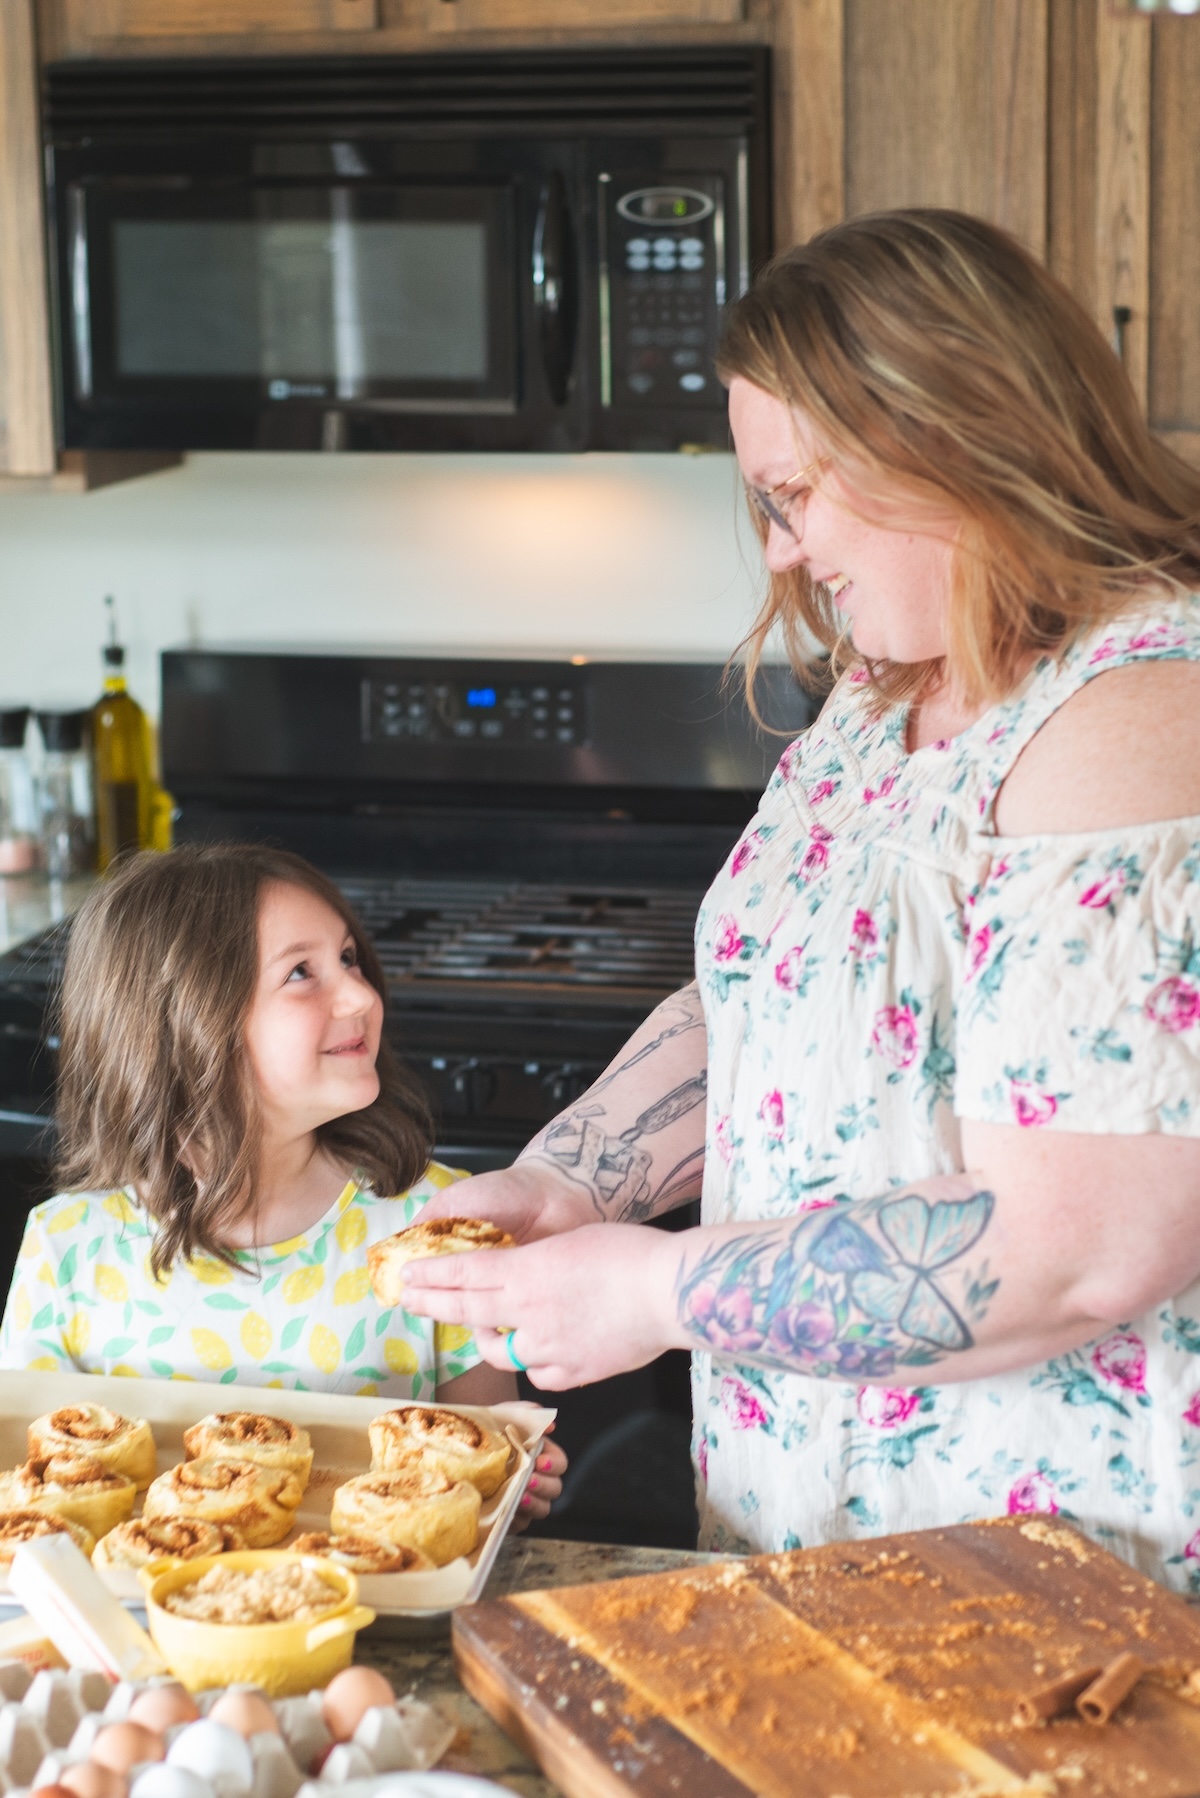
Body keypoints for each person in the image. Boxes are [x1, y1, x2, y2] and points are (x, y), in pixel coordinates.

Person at [397, 207, 1200, 1587]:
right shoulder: (888, 693)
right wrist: (571, 1178)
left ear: (944, 439)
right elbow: (759, 1000)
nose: (777, 550)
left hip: (1056, 1602)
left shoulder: (1138, 714)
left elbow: (1080, 1248)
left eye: (793, 496)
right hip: (814, 1554)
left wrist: (654, 1289)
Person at [0, 844, 565, 1524]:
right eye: (303, 972)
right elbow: (30, 1488)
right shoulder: (65, 1251)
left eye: (349, 958)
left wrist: (508, 1477)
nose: (361, 994)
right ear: (183, 1026)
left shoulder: (433, 1228)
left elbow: (478, 1455)